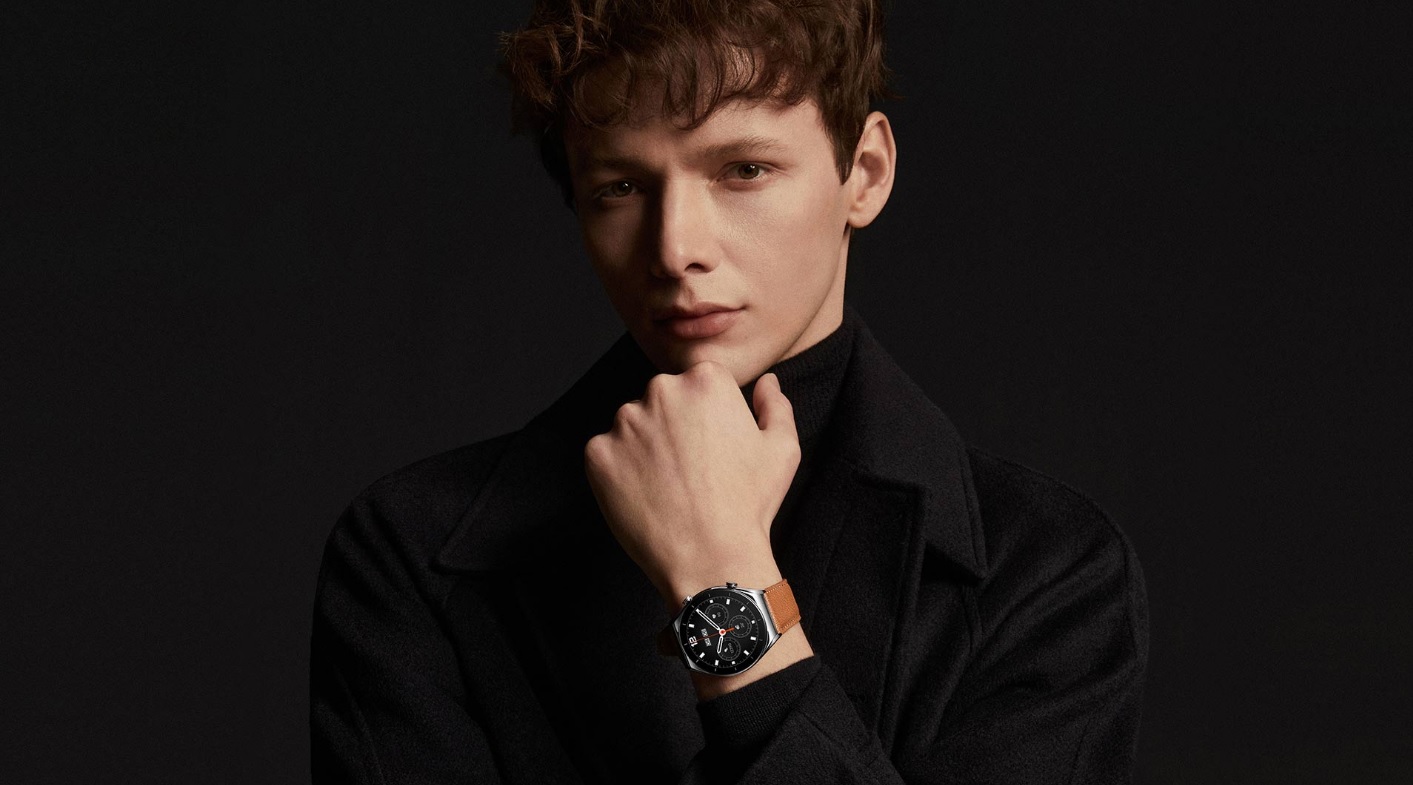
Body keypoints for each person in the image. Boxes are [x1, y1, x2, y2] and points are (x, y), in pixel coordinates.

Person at [309, 1, 1149, 782]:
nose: (675, 247)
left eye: (743, 169)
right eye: (620, 187)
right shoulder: (411, 551)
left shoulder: (1048, 571)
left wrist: (722, 579)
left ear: (864, 172)